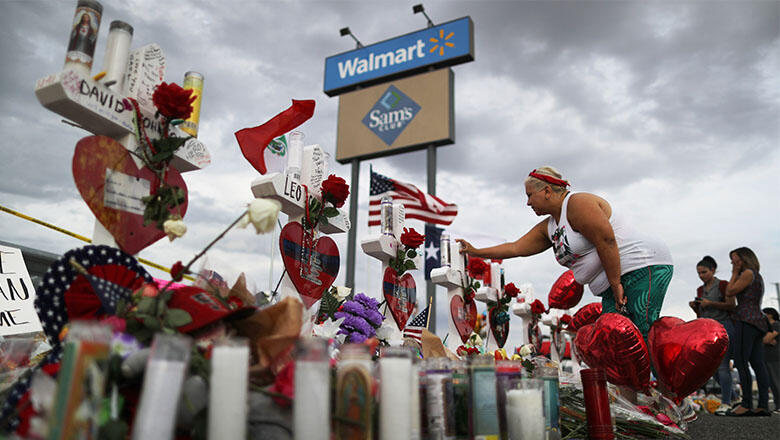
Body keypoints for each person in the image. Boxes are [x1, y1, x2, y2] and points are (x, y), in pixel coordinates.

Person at [456, 166, 673, 342]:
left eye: (530, 195)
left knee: (641, 331)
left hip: (641, 266)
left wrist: (616, 284)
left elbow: (606, 240)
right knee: (614, 339)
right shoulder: (550, 226)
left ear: (547, 191)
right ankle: (635, 385)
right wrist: (476, 251)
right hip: (614, 282)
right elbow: (515, 248)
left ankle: (663, 383)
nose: (528, 202)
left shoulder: (577, 204)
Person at [725, 247, 771, 417]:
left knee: (741, 361)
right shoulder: (757, 275)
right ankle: (763, 405)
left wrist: (734, 273)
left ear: (743, 259)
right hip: (758, 321)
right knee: (758, 363)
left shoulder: (747, 273)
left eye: (734, 259)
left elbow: (730, 291)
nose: (732, 262)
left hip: (746, 320)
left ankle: (746, 404)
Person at [688, 256, 736, 415]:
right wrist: (696, 307)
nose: (701, 276)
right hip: (707, 329)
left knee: (723, 365)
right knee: (711, 368)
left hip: (723, 326)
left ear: (713, 270)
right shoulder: (700, 290)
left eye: (704, 272)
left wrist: (710, 303)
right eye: (699, 273)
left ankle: (726, 402)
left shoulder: (723, 285)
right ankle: (733, 397)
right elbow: (701, 313)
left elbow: (731, 305)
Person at [762, 307, 780, 412]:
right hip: (766, 357)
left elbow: (766, 339)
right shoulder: (765, 327)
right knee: (772, 383)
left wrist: (764, 339)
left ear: (770, 314)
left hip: (775, 357)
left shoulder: (776, 325)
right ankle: (777, 405)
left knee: (776, 381)